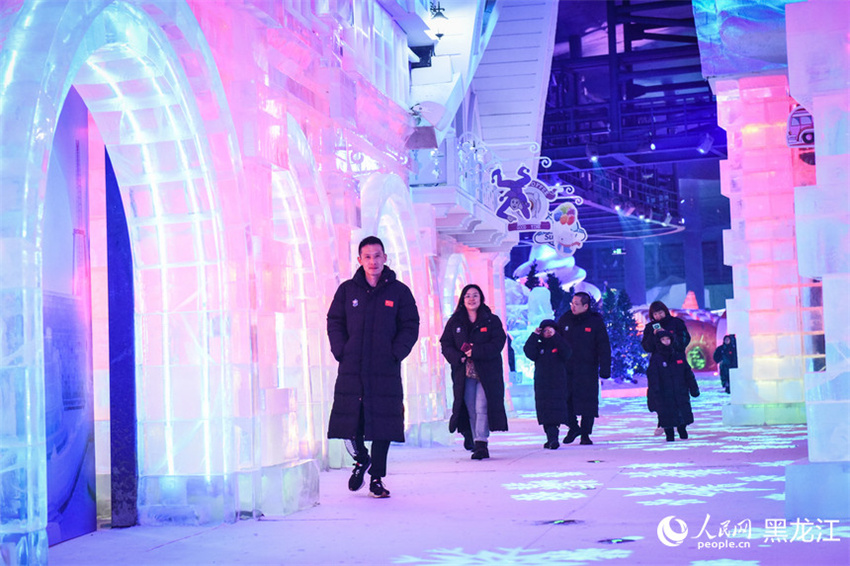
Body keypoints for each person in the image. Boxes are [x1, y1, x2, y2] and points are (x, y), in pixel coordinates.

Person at [326, 236, 420, 498]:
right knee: (350, 420)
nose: (373, 261)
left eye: (377, 255)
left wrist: (396, 352)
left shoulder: (399, 292)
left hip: (384, 367)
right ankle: (360, 458)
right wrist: (341, 350)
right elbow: (334, 321)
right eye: (367, 256)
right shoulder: (347, 291)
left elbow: (410, 325)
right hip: (352, 367)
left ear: (385, 258)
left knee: (383, 423)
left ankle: (377, 477)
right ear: (359, 260)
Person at [440, 284, 508, 460]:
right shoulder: (455, 322)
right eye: (468, 295)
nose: (471, 299)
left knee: (481, 406)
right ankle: (473, 436)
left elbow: (498, 342)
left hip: (487, 372)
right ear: (462, 299)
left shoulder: (491, 320)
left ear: (481, 298)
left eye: (475, 295)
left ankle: (481, 442)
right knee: (470, 407)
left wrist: (476, 351)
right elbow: (445, 344)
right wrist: (459, 357)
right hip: (464, 373)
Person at [556, 291, 611, 445]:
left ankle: (586, 434)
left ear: (586, 306)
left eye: (576, 304)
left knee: (588, 402)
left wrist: (605, 368)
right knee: (566, 399)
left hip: (588, 368)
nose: (573, 307)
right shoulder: (565, 319)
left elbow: (603, 346)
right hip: (567, 367)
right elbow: (557, 341)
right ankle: (573, 427)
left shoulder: (595, 322)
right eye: (572, 303)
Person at [641, 300, 691, 435]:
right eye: (655, 314)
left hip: (676, 364)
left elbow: (684, 341)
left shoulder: (677, 323)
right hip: (658, 366)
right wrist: (655, 336)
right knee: (660, 395)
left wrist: (668, 335)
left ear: (665, 311)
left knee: (678, 393)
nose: (658, 316)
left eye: (660, 312)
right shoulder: (650, 327)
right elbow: (646, 346)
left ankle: (681, 423)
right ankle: (663, 422)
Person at [523, 319, 571, 449]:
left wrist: (557, 337)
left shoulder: (560, 344)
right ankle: (550, 438)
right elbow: (528, 351)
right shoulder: (539, 347)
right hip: (542, 384)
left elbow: (567, 353)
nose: (548, 333)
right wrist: (534, 335)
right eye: (545, 331)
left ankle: (553, 437)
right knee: (545, 412)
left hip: (558, 383)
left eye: (551, 330)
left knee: (555, 412)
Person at [646, 330, 700, 441]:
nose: (666, 342)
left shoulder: (678, 355)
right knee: (666, 416)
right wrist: (654, 393)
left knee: (682, 414)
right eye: (663, 339)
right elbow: (653, 377)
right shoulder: (656, 358)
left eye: (668, 339)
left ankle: (682, 431)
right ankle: (669, 436)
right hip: (664, 393)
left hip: (680, 391)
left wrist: (693, 388)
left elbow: (688, 373)